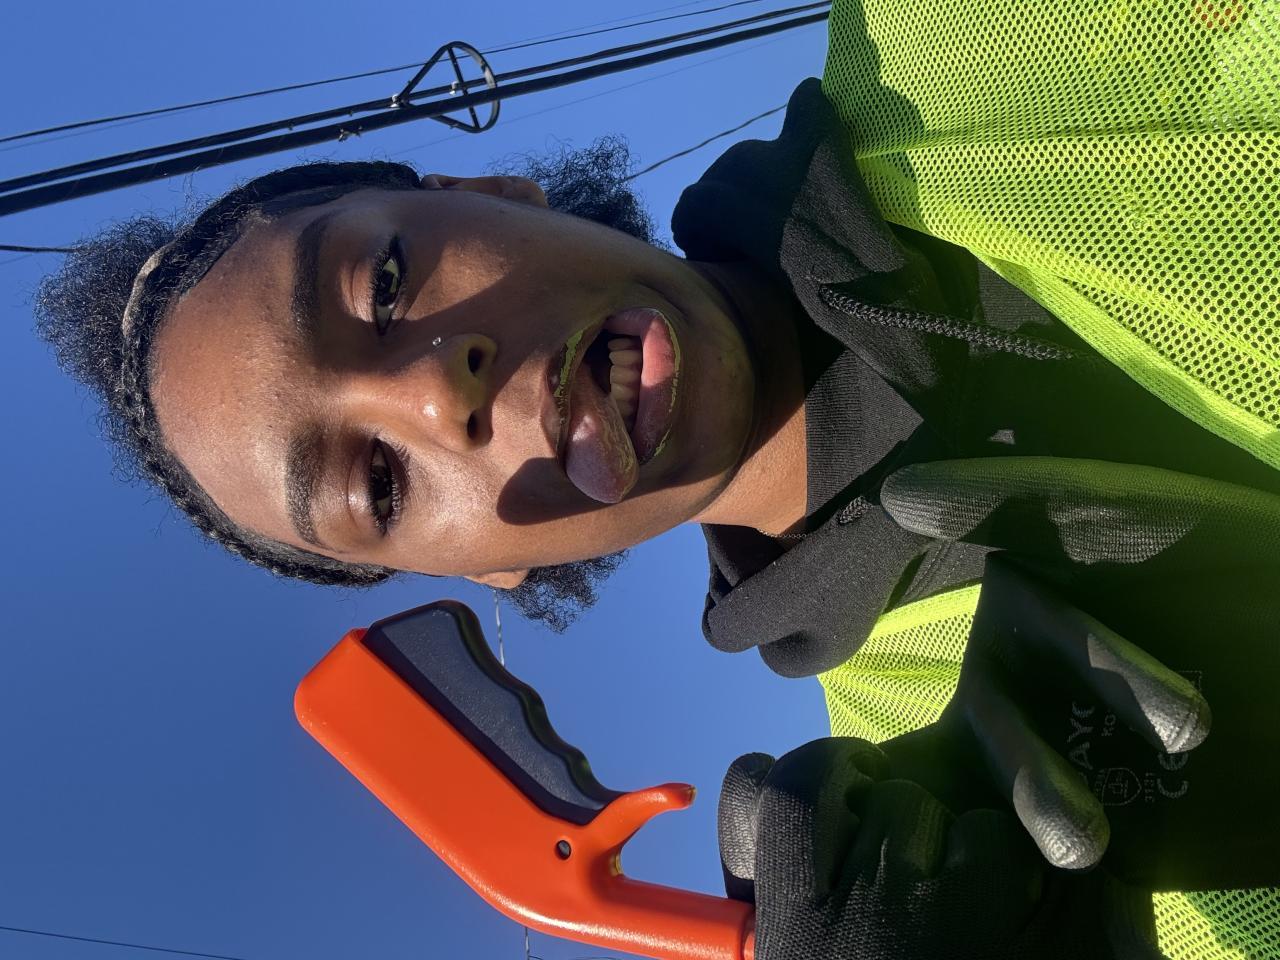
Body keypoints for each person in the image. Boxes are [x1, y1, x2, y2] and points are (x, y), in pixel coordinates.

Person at [33, 18, 1280, 960]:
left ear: (487, 194)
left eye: (385, 283)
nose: (435, 396)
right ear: (490, 571)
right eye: (374, 481)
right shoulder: (930, 820)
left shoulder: (963, 39)